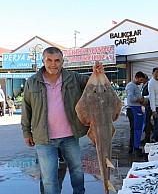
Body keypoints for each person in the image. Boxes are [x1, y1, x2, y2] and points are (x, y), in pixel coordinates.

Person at [21, 46, 104, 194]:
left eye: (57, 60)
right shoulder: (32, 82)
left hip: (70, 136)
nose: (53, 64)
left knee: (77, 171)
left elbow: (95, 84)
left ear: (62, 62)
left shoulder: (73, 77)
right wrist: (26, 132)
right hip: (44, 139)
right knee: (49, 178)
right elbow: (26, 108)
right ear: (43, 61)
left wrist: (98, 73)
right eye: (49, 60)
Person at [125, 71, 146, 154]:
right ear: (136, 77)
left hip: (136, 109)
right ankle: (134, 148)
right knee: (135, 129)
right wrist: (139, 100)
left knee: (137, 129)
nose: (141, 82)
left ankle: (135, 147)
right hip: (133, 110)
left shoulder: (135, 86)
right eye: (140, 80)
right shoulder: (131, 86)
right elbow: (130, 98)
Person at [141, 74, 153, 144]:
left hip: (149, 105)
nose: (141, 81)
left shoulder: (149, 85)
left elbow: (150, 95)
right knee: (147, 121)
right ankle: (151, 134)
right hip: (146, 105)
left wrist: (144, 98)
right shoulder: (145, 85)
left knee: (147, 121)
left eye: (142, 80)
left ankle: (147, 138)